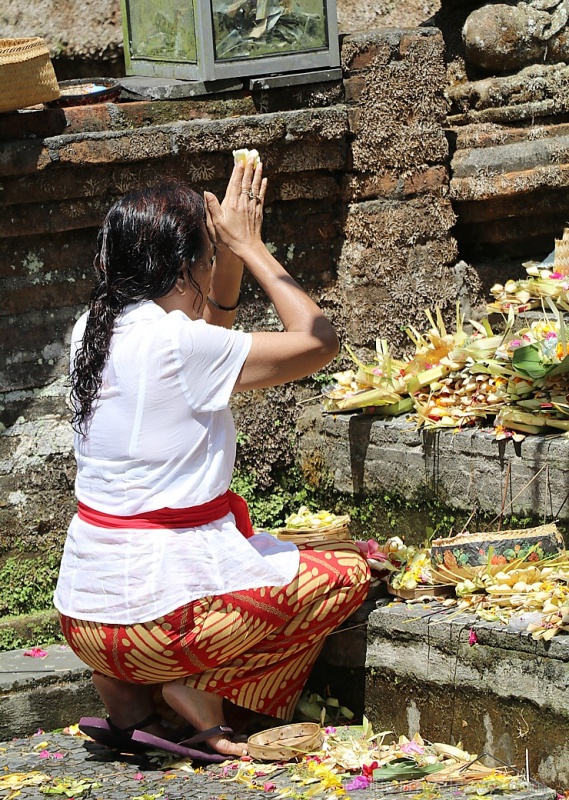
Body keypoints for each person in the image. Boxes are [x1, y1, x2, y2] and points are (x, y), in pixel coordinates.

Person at [54, 153, 370, 761]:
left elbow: (208, 324)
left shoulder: (92, 324)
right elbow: (318, 341)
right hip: (152, 627)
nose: (213, 263)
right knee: (345, 574)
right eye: (207, 255)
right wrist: (252, 248)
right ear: (182, 266)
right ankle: (196, 688)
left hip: (84, 621)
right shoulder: (176, 345)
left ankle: (127, 696)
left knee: (271, 553)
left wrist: (220, 253)